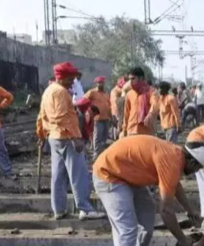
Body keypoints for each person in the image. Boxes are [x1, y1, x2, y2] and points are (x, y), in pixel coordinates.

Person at [93, 137, 204, 246]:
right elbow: (166, 211)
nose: (196, 172)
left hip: (126, 174)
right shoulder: (172, 160)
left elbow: (175, 184)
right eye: (198, 169)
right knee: (126, 231)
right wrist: (182, 239)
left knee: (147, 208)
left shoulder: (176, 156)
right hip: (109, 174)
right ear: (193, 162)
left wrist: (189, 210)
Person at [36, 62, 105, 220]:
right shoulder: (61, 92)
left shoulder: (48, 91)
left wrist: (41, 134)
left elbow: (41, 116)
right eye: (70, 79)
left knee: (58, 175)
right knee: (78, 174)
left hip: (54, 137)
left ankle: (58, 209)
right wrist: (74, 137)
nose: (73, 82)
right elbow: (61, 117)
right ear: (62, 78)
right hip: (67, 138)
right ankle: (85, 209)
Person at [122, 67, 157, 137]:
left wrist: (151, 114)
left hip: (146, 131)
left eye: (133, 79)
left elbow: (155, 103)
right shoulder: (129, 94)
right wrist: (124, 131)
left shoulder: (151, 91)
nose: (130, 82)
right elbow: (126, 114)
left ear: (141, 78)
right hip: (131, 131)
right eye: (130, 79)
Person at [84, 76, 111, 160]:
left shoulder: (106, 94)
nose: (100, 84)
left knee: (104, 137)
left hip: (106, 118)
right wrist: (88, 112)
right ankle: (96, 155)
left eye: (102, 82)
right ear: (96, 83)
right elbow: (83, 101)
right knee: (97, 137)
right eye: (99, 82)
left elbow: (109, 106)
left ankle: (101, 154)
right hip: (97, 119)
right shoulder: (92, 92)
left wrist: (111, 116)